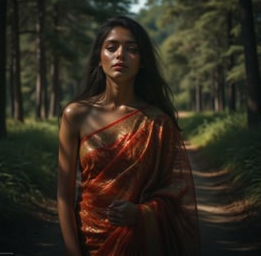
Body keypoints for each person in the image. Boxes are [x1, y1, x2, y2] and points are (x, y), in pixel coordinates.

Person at [57, 16, 200, 256]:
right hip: (88, 242)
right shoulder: (75, 115)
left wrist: (139, 213)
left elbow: (176, 195)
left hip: (141, 244)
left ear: (142, 62)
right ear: (99, 58)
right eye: (112, 47)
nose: (120, 55)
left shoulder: (158, 122)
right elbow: (63, 197)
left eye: (132, 49)